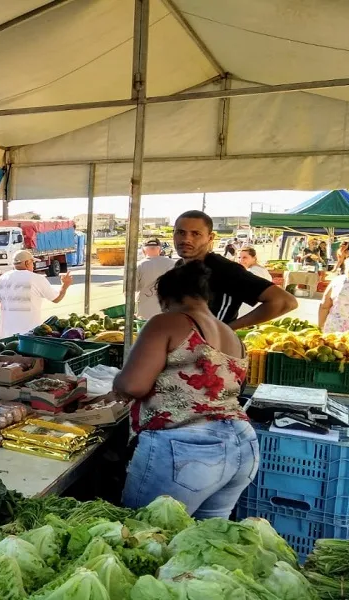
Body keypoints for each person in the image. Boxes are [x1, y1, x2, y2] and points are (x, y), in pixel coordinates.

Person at [114, 261, 258, 518]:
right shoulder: (232, 335)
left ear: (166, 298)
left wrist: (117, 383)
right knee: (203, 542)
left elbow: (132, 385)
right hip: (242, 444)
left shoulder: (166, 322)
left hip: (187, 447)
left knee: (144, 536)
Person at [173, 210, 297, 329]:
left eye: (195, 234)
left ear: (210, 238)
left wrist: (227, 329)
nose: (186, 239)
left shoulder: (223, 269)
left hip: (212, 346)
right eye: (180, 232)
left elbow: (284, 301)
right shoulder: (180, 266)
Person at [0, 250, 73, 339]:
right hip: (30, 337)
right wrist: (65, 286)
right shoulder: (37, 279)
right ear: (27, 263)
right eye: (32, 262)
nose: (33, 266)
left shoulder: (1, 280)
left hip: (6, 336)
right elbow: (56, 299)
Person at [136, 238, 176, 319]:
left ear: (144, 250)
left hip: (145, 311)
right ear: (160, 249)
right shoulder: (172, 263)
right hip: (168, 309)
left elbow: (130, 289)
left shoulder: (138, 266)